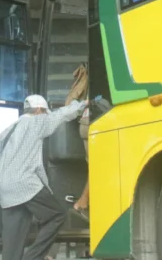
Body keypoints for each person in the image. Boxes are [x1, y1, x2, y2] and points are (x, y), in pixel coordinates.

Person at [0, 94, 86, 260]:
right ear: (38, 110)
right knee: (56, 215)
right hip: (25, 184)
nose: (46, 115)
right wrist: (82, 104)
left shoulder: (6, 132)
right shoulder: (35, 122)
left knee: (13, 241)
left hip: (5, 189)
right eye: (45, 112)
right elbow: (61, 115)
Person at [63, 65, 90, 218]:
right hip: (91, 123)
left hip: (86, 123)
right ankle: (81, 203)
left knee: (96, 166)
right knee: (99, 167)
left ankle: (83, 203)